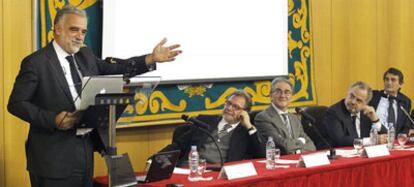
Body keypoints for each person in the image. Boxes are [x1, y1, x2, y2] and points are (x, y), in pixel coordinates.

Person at [7, 5, 182, 187]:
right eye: (74, 29)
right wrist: (53, 119)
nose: (80, 36)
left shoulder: (86, 56)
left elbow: (117, 68)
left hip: (85, 152)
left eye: (83, 31)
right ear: (57, 29)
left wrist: (150, 59)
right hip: (52, 158)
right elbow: (17, 103)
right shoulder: (36, 63)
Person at [157, 90, 265, 166]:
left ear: (244, 112)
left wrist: (249, 126)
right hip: (190, 169)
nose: (229, 108)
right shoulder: (204, 120)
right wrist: (155, 159)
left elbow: (262, 155)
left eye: (235, 107)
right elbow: (179, 144)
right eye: (228, 103)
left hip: (219, 174)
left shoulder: (246, 132)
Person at [254, 78, 316, 155]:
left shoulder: (295, 118)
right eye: (278, 91)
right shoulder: (263, 118)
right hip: (277, 162)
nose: (283, 95)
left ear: (291, 97)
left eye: (287, 92)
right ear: (271, 95)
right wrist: (301, 142)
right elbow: (282, 146)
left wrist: (297, 151)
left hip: (298, 161)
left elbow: (311, 146)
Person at [324, 81, 387, 147]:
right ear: (347, 93)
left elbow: (385, 136)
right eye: (351, 96)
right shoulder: (334, 112)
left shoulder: (366, 112)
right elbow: (340, 141)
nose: (353, 102)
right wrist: (370, 141)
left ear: (366, 103)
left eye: (359, 100)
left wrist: (375, 120)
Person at [369, 67, 414, 136]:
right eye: (387, 79)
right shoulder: (373, 96)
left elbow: (406, 126)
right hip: (373, 139)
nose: (389, 82)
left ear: (400, 84)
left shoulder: (405, 101)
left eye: (393, 80)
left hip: (395, 142)